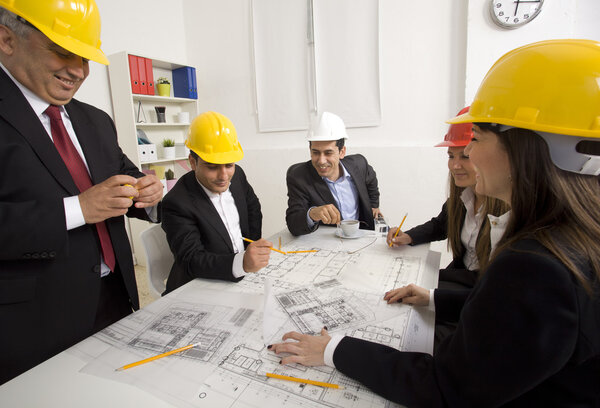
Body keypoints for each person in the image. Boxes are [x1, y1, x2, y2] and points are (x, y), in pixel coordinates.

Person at [269, 40, 600, 406]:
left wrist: (334, 349)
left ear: (524, 148)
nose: (467, 155)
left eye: (476, 138)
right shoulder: (572, 238)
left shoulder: (534, 265)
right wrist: (433, 299)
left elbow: (446, 387)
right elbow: (510, 322)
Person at [0, 0, 163, 384]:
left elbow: (122, 175)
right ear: (7, 39)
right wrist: (78, 209)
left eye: (86, 59)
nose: (78, 71)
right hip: (36, 319)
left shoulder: (95, 119)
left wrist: (147, 193)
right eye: (62, 53)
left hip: (117, 295)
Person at [385, 108, 509, 349]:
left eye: (465, 156)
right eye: (451, 156)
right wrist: (408, 236)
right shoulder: (462, 198)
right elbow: (440, 225)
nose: (455, 165)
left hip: (480, 294)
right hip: (460, 280)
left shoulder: (509, 212)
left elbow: (497, 302)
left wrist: (433, 299)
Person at [161, 111, 271, 293]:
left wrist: (251, 246)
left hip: (244, 277)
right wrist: (240, 263)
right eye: (212, 166)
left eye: (229, 165)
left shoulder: (238, 176)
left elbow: (252, 208)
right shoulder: (176, 203)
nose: (223, 176)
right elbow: (191, 259)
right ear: (192, 162)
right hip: (200, 284)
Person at [286, 111, 382, 236]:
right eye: (315, 152)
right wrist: (312, 214)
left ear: (342, 152)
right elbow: (293, 224)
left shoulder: (359, 164)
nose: (321, 160)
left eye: (328, 153)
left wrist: (373, 206)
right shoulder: (299, 176)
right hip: (327, 243)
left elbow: (371, 182)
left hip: (362, 237)